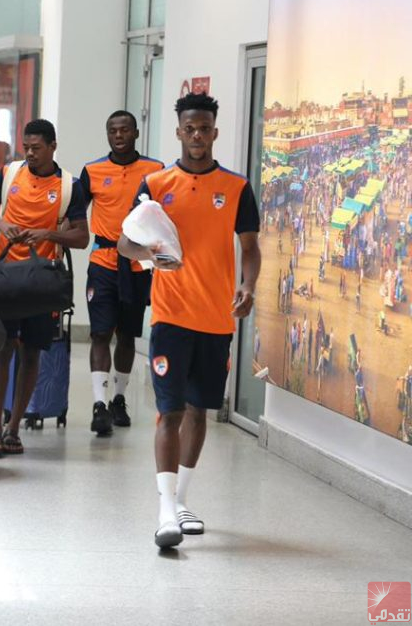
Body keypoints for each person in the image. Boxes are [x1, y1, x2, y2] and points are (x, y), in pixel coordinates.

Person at [117, 93, 260, 549]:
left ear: (215, 132)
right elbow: (125, 244)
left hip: (217, 318)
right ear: (178, 132)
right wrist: (150, 257)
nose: (197, 136)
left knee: (200, 410)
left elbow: (251, 247)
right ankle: (164, 511)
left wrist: (248, 286)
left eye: (205, 128)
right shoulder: (155, 184)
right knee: (169, 412)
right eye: (190, 128)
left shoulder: (236, 188)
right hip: (171, 317)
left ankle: (182, 500)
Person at [0, 119, 89, 458]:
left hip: (41, 281)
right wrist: (1, 224)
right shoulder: (9, 174)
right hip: (5, 277)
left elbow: (82, 237)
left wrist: (49, 234)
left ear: (53, 146)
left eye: (37, 148)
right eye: (26, 146)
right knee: (2, 348)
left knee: (31, 352)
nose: (30, 153)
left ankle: (14, 430)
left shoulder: (70, 186)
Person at [79, 111, 164, 436]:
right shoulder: (93, 170)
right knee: (101, 333)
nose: (118, 135)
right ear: (107, 134)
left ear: (136, 133)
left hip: (137, 263)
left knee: (127, 334)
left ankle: (118, 399)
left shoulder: (155, 171)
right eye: (112, 130)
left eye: (124, 130)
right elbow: (75, 213)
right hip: (103, 260)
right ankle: (99, 405)